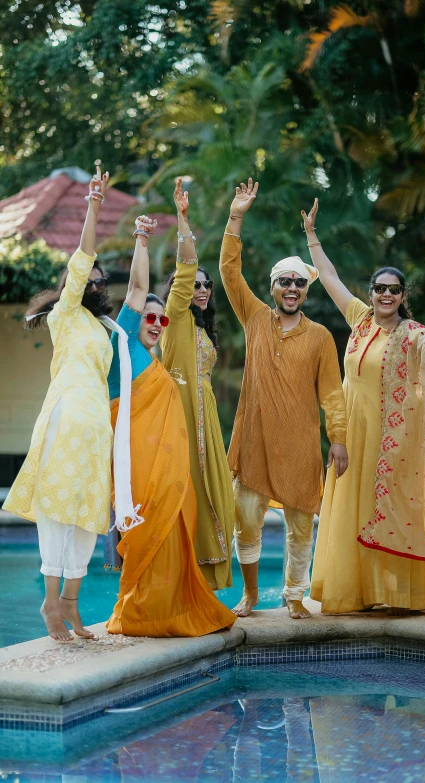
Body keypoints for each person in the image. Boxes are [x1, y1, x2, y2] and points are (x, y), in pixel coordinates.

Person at [302, 198, 425, 615]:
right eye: (380, 289)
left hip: (388, 443)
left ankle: (394, 595)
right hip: (349, 435)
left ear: (402, 295)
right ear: (371, 293)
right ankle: (353, 592)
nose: (386, 295)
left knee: (385, 509)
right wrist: (312, 237)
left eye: (394, 290)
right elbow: (331, 278)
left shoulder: (411, 334)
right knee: (350, 512)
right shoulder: (358, 320)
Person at [219, 178, 348, 620]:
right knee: (246, 521)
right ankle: (252, 595)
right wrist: (236, 216)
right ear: (273, 288)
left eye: (299, 282)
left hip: (298, 447)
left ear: (306, 291)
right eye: (284, 282)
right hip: (254, 443)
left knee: (300, 528)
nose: (292, 288)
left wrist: (339, 439)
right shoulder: (254, 319)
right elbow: (228, 274)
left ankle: (294, 595)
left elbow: (332, 393)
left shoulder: (320, 337)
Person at [105, 213, 236, 637]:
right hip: (137, 469)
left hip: (167, 466)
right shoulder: (123, 347)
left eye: (162, 320)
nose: (157, 324)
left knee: (175, 532)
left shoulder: (158, 362)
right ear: (135, 320)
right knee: (146, 534)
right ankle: (140, 613)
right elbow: (138, 290)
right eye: (151, 318)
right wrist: (141, 238)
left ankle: (171, 610)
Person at [4, 167, 116, 642]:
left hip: (96, 428)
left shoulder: (104, 327)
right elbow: (83, 256)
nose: (93, 282)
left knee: (89, 514)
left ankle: (72, 603)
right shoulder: (66, 317)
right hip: (67, 418)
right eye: (85, 278)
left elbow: (136, 295)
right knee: (58, 509)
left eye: (98, 278)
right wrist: (93, 206)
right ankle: (51, 602)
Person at [160, 178, 235, 591]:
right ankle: (178, 583)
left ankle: (202, 586)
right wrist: (182, 220)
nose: (202, 289)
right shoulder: (175, 318)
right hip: (181, 421)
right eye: (196, 285)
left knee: (214, 498)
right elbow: (185, 271)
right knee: (184, 496)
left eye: (207, 285)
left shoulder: (204, 331)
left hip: (206, 421)